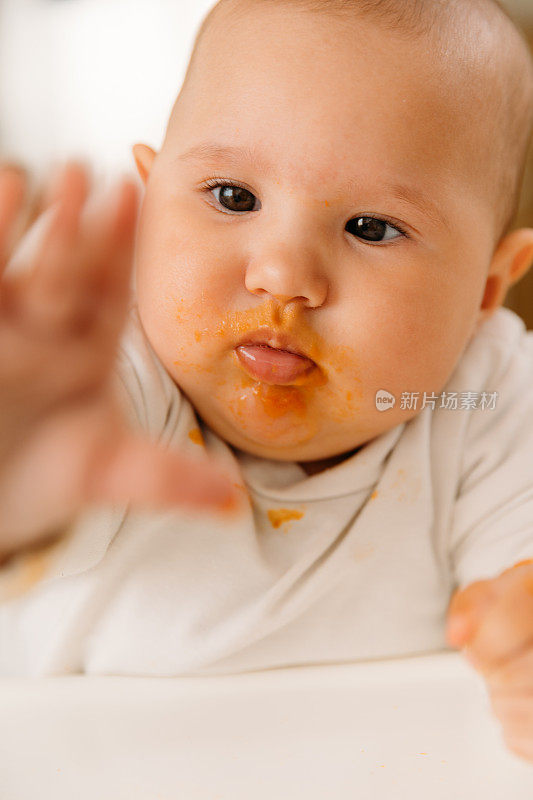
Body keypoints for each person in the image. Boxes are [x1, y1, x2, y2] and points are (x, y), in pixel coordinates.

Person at [1, 0, 533, 760]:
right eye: (232, 197)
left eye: (370, 228)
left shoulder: (479, 395)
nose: (281, 276)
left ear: (486, 288)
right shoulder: (113, 366)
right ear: (150, 207)